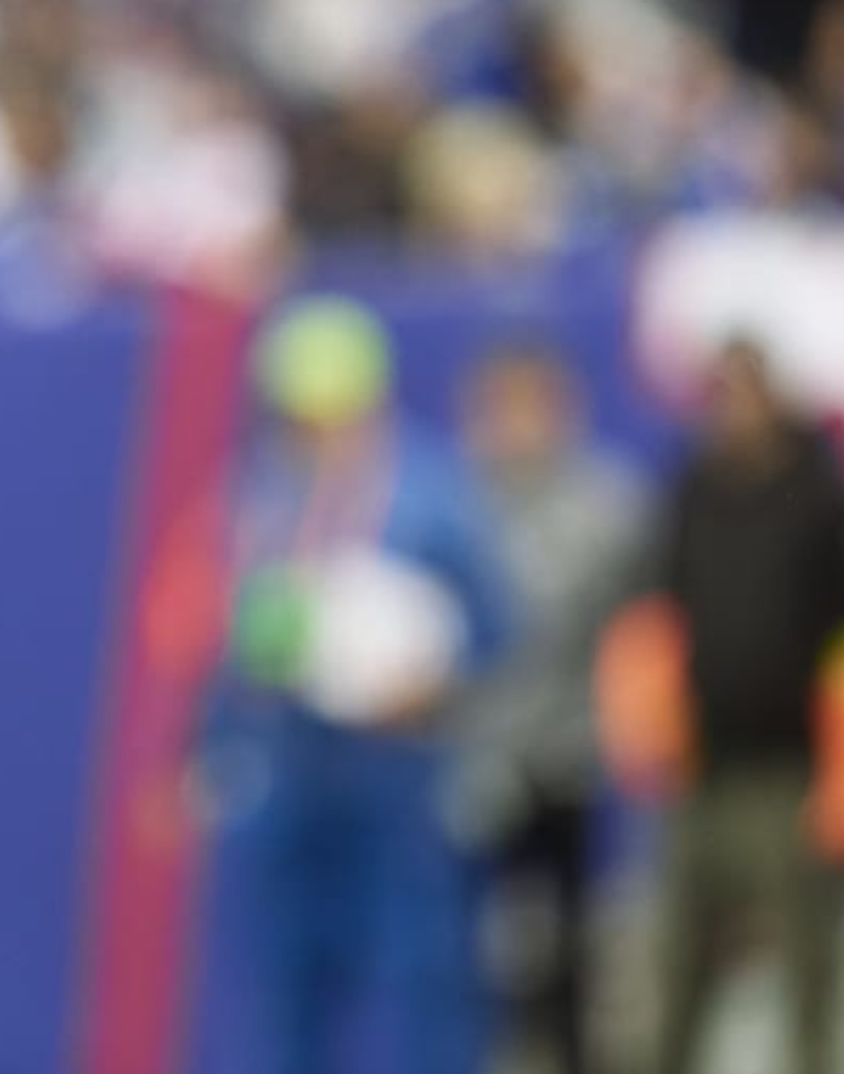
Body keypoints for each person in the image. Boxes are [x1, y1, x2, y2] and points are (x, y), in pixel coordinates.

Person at [206, 296, 509, 1074]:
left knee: (422, 983)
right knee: (288, 984)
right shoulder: (263, 491)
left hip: (398, 773)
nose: (315, 434)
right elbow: (234, 628)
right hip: (292, 764)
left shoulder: (432, 496)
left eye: (330, 415)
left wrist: (438, 686)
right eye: (299, 416)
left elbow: (496, 628)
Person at [641, 336, 844, 1074]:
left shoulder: (820, 498)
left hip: (791, 769)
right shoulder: (694, 493)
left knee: (810, 965)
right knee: (679, 967)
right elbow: (665, 619)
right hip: (706, 767)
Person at [446, 339, 645, 1074]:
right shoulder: (458, 504)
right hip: (476, 763)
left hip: (566, 756)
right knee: (478, 945)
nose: (519, 427)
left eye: (534, 408)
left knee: (569, 939)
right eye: (506, 409)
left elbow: (637, 616)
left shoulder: (603, 504)